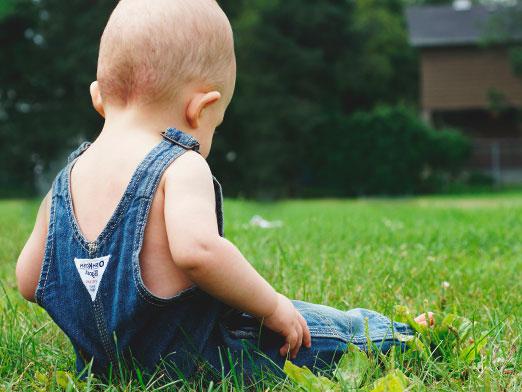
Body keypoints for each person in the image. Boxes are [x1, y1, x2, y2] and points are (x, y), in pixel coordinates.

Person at [15, 0, 432, 383]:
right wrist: (271, 306)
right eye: (216, 122)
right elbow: (198, 252)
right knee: (321, 330)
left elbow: (31, 279)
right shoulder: (179, 163)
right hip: (203, 357)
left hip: (105, 369)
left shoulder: (65, 180)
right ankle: (400, 335)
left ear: (98, 98)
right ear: (200, 108)